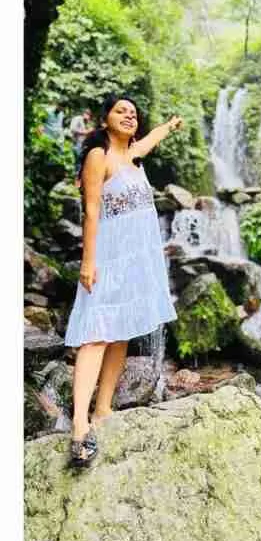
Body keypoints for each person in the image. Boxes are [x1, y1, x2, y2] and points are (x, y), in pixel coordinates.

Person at [64, 96, 183, 468]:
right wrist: (87, 262)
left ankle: (104, 410)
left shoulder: (133, 154)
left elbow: (151, 140)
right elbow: (92, 209)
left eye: (134, 113)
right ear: (105, 120)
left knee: (121, 333)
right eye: (121, 111)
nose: (130, 115)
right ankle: (79, 425)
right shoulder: (99, 156)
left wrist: (169, 125)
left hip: (137, 260)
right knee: (96, 333)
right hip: (108, 258)